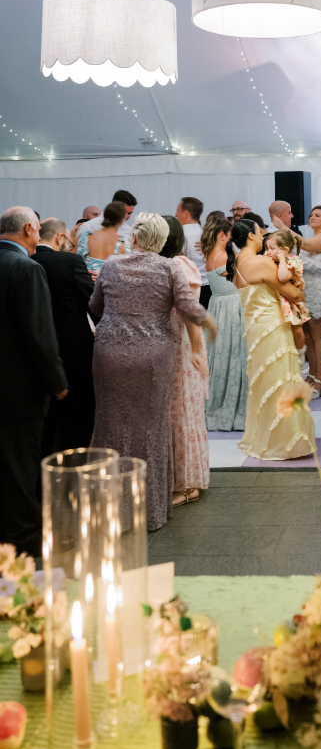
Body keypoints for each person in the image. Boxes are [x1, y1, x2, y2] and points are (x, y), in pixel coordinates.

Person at [89, 213, 216, 531]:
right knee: (151, 430)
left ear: (133, 237)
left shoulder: (110, 265)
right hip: (152, 355)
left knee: (109, 426)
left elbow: (95, 306)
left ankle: (105, 508)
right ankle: (148, 511)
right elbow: (188, 307)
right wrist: (209, 323)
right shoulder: (169, 266)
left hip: (109, 353)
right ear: (161, 241)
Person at [0, 207, 68, 555]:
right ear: (29, 229)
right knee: (22, 469)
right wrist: (57, 381)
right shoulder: (26, 268)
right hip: (19, 389)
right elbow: (39, 334)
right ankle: (26, 542)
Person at [230, 220, 315, 461]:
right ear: (249, 236)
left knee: (263, 381)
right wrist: (300, 293)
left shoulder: (237, 263)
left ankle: (265, 435)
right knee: (280, 378)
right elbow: (293, 292)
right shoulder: (262, 262)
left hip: (255, 328)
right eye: (259, 232)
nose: (262, 236)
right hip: (272, 326)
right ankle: (284, 441)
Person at [33, 218, 96, 455]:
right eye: (69, 241)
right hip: (74, 353)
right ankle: (74, 473)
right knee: (77, 420)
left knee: (44, 423)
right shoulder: (70, 261)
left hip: (35, 355)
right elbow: (93, 304)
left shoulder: (25, 259)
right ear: (60, 238)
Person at [160, 216, 210, 507]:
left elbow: (191, 310)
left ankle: (187, 483)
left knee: (181, 413)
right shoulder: (171, 265)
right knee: (174, 412)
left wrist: (193, 350)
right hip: (176, 342)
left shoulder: (179, 265)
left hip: (183, 344)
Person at [201, 216, 248, 431]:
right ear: (222, 235)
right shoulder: (224, 257)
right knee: (235, 354)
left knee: (220, 356)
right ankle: (235, 407)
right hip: (232, 307)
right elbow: (245, 275)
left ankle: (215, 402)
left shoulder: (209, 255)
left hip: (218, 306)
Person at [301, 205, 321, 396]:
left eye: (317, 215)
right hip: (306, 289)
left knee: (317, 334)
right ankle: (312, 374)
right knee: (306, 334)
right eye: (311, 215)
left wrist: (301, 262)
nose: (312, 217)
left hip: (320, 288)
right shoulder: (309, 238)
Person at [266, 230, 312, 363]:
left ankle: (300, 351)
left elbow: (282, 277)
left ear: (284, 250)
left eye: (272, 248)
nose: (268, 252)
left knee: (296, 327)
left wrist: (281, 260)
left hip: (291, 301)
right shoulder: (271, 260)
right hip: (277, 299)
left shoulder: (293, 261)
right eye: (267, 248)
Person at [176, 196, 210, 308]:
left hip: (187, 290)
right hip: (208, 289)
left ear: (186, 214)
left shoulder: (178, 237)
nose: (176, 215)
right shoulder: (209, 236)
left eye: (178, 211)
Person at [78, 201, 127, 276]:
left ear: (103, 216)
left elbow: (75, 263)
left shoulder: (86, 237)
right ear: (121, 220)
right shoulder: (123, 243)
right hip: (111, 286)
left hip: (89, 283)